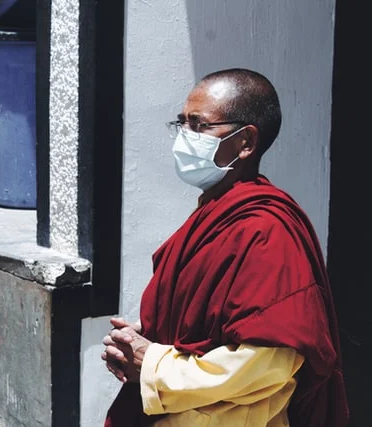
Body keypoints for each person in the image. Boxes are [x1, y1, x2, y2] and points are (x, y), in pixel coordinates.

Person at [101, 68, 349, 427]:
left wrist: (153, 364)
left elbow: (267, 364)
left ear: (245, 142)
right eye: (182, 122)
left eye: (199, 125)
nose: (185, 136)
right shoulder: (214, 214)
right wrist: (143, 339)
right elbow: (207, 321)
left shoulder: (266, 229)